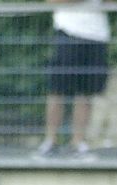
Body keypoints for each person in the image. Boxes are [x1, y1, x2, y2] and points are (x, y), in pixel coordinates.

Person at [37, 0, 109, 161]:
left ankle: (78, 143)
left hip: (97, 35)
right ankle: (50, 142)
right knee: (57, 89)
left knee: (86, 92)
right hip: (69, 32)